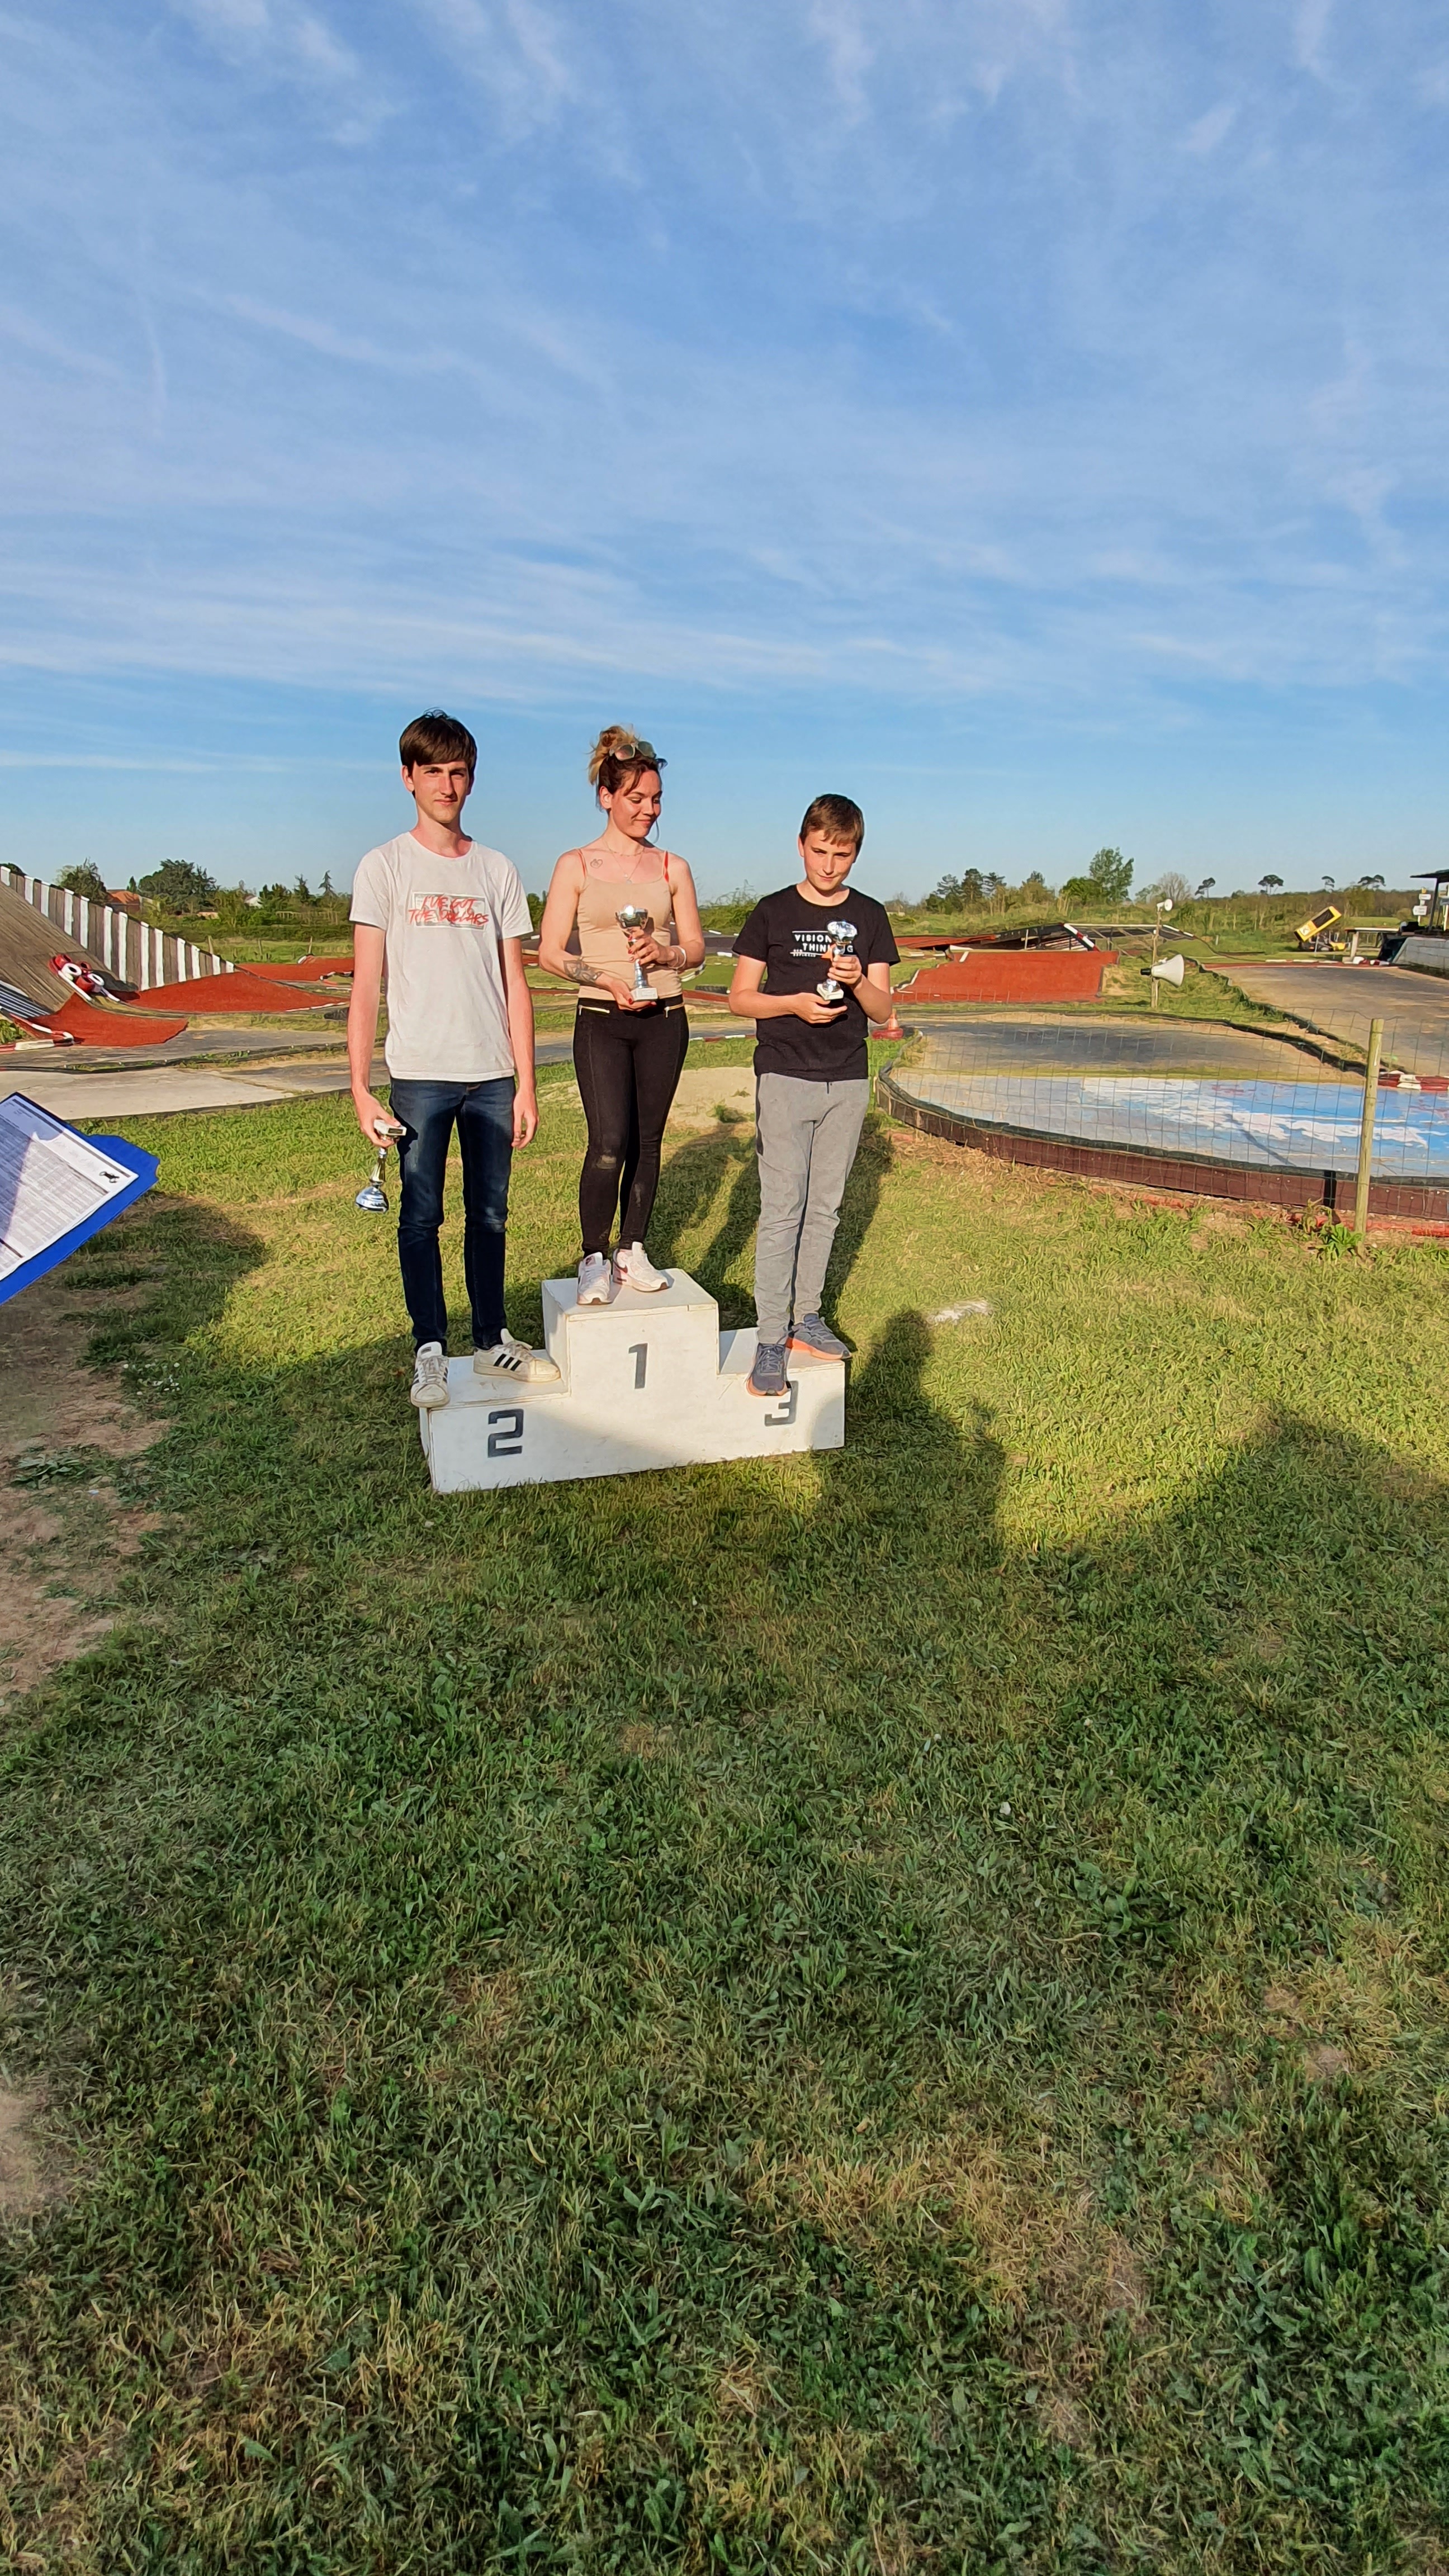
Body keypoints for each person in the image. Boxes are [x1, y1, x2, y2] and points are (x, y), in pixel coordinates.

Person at [348, 709, 559, 1412]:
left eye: (458, 771)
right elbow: (366, 987)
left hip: (491, 1075)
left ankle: (492, 1338)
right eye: (432, 770)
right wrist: (360, 1088)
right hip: (420, 1075)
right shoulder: (383, 867)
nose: (446, 784)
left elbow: (516, 984)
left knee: (490, 1215)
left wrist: (526, 1083)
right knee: (421, 1216)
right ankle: (430, 1349)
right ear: (408, 777)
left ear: (472, 779)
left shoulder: (497, 870)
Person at [728, 794, 898, 1398]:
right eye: (820, 851)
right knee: (783, 1209)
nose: (829, 865)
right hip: (784, 1075)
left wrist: (858, 981)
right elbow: (740, 997)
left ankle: (807, 1317)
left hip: (847, 1079)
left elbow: (883, 1008)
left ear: (856, 854)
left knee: (825, 1209)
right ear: (801, 845)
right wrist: (794, 1005)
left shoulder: (870, 917)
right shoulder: (772, 912)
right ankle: (770, 1337)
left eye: (842, 855)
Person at [537, 727, 706, 1304]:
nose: (648, 811)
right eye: (636, 799)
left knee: (647, 1141)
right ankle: (594, 1256)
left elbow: (696, 948)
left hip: (664, 1017)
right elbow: (551, 953)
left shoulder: (673, 867)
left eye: (656, 800)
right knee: (609, 1141)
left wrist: (667, 955)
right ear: (606, 796)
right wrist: (605, 979)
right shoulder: (575, 865)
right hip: (602, 1019)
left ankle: (632, 1249)